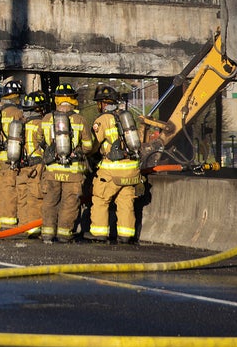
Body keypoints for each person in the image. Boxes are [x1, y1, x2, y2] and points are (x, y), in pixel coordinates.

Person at [89, 84, 144, 245]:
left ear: (102, 103)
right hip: (131, 171)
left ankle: (99, 235)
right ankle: (126, 236)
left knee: (100, 200)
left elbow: (93, 145)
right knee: (126, 202)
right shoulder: (126, 116)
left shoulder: (102, 120)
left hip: (111, 171)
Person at [37, 83, 93, 243]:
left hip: (52, 170)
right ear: (73, 100)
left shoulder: (47, 118)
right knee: (69, 203)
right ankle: (64, 234)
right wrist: (78, 151)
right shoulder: (80, 120)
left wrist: (48, 154)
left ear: (57, 100)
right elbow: (88, 147)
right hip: (73, 172)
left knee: (50, 202)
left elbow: (38, 140)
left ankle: (47, 233)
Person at [0, 80, 25, 228]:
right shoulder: (17, 113)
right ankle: (9, 224)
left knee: (0, 192)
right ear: (16, 97)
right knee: (10, 191)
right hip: (10, 159)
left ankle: (2, 221)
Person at [16, 90, 49, 236]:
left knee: (22, 197)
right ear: (39, 108)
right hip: (37, 166)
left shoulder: (20, 124)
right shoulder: (41, 124)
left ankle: (23, 226)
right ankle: (34, 228)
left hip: (21, 166)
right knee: (37, 196)